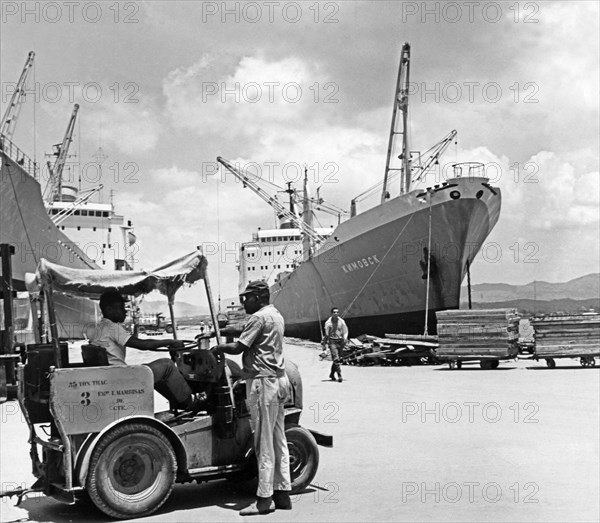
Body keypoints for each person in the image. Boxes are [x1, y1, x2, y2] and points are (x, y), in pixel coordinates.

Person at [213, 280, 292, 516]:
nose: (243, 302)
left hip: (263, 383)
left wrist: (217, 348)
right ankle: (283, 495)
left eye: (245, 298)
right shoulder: (275, 315)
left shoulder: (257, 318)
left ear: (257, 297)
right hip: (279, 380)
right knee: (279, 440)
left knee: (263, 443)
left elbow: (238, 348)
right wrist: (227, 332)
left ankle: (264, 500)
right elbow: (251, 335)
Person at [87, 289, 205, 412]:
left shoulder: (99, 328)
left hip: (113, 376)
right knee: (167, 365)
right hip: (122, 378)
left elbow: (139, 341)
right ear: (109, 309)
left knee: (158, 372)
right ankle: (190, 402)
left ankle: (178, 402)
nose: (125, 312)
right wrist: (170, 342)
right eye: (121, 308)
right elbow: (143, 345)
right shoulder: (112, 328)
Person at [322, 307, 348, 382]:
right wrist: (324, 344)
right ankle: (339, 375)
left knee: (337, 359)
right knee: (336, 358)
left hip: (340, 341)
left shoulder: (341, 322)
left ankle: (332, 373)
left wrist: (345, 339)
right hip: (332, 341)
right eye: (334, 312)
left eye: (337, 312)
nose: (336, 313)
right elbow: (326, 335)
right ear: (331, 313)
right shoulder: (328, 323)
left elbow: (345, 331)